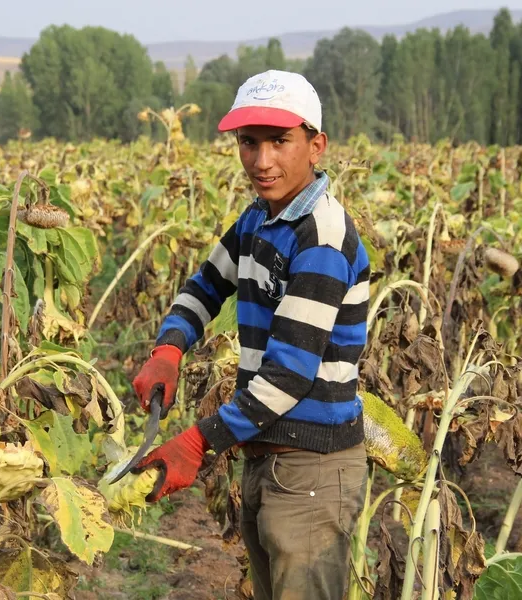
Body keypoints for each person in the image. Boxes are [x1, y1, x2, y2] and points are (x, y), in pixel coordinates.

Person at [130, 69, 371, 600]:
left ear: (316, 145)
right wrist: (169, 347)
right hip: (269, 456)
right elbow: (207, 284)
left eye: (280, 142)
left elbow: (287, 375)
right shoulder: (259, 219)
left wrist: (199, 442)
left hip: (313, 468)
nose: (262, 162)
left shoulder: (321, 238)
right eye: (249, 143)